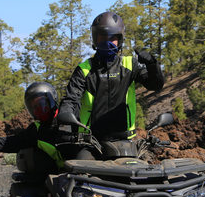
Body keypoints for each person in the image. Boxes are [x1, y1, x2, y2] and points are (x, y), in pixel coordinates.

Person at [59, 11, 165, 157]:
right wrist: (65, 123)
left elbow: (156, 85)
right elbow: (71, 99)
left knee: (137, 175)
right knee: (80, 173)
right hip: (91, 142)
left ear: (120, 39)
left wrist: (152, 65)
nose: (107, 42)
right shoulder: (84, 69)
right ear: (95, 39)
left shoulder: (130, 65)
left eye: (112, 37)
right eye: (102, 37)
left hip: (124, 141)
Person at [0, 82, 70, 170]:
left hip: (81, 170)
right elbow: (10, 142)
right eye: (34, 107)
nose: (39, 109)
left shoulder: (71, 117)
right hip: (57, 176)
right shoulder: (36, 130)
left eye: (41, 103)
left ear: (51, 99)